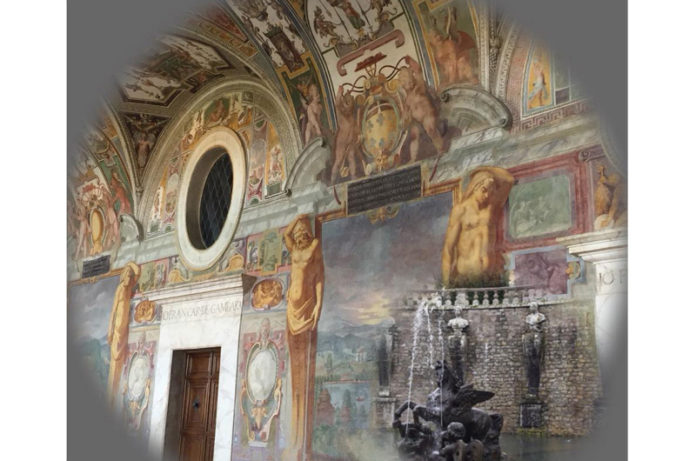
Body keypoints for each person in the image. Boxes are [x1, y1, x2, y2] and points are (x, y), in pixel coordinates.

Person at [282, 214, 324, 461]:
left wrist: (319, 304)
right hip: (291, 310)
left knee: (304, 367)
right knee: (294, 365)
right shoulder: (294, 251)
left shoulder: (314, 248)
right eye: (296, 233)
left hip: (307, 309)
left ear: (307, 233)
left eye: (301, 231)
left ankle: (301, 445)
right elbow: (285, 235)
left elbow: (319, 277)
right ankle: (295, 442)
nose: (298, 235)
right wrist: (296, 217)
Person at [442, 167, 514, 287]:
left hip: (490, 277)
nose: (486, 195)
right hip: (466, 275)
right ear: (475, 186)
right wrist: (446, 284)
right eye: (484, 190)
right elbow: (448, 249)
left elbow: (509, 179)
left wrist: (486, 169)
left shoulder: (490, 209)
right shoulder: (461, 210)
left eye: (490, 192)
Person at [106, 262, 141, 408]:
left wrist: (131, 265)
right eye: (127, 275)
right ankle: (110, 397)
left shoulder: (129, 289)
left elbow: (137, 273)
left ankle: (114, 397)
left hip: (124, 331)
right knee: (114, 362)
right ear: (123, 276)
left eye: (130, 276)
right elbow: (114, 310)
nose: (129, 278)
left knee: (120, 362)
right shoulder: (120, 289)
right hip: (117, 331)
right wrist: (110, 329)